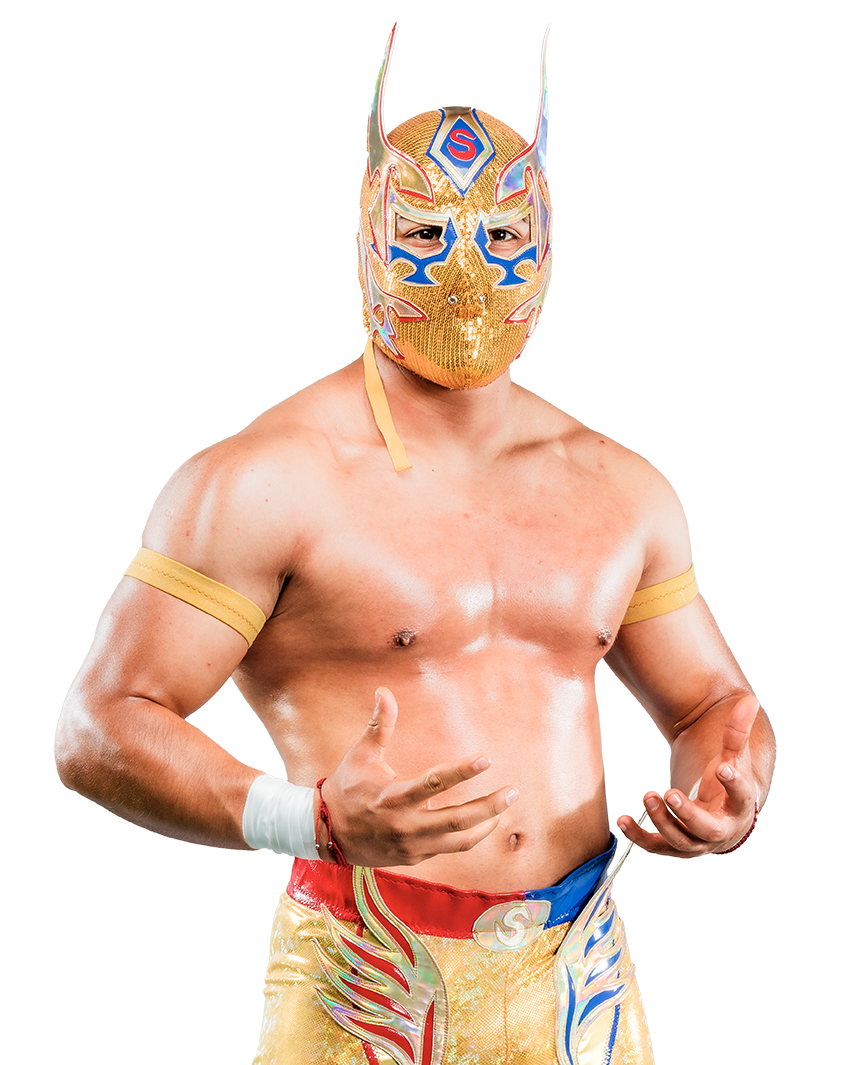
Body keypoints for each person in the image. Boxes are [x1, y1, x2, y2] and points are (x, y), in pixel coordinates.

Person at [55, 22, 775, 1065]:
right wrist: (308, 819)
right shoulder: (263, 482)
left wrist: (729, 790)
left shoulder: (620, 488)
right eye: (428, 231)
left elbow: (713, 705)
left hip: (583, 985)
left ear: (547, 238)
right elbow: (96, 727)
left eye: (501, 233)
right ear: (368, 231)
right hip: (365, 985)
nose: (468, 268)